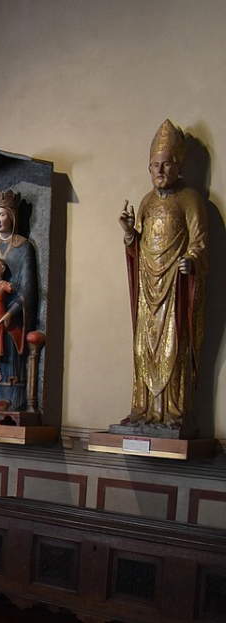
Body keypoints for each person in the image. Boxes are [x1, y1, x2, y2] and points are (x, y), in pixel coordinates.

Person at [116, 119, 208, 435]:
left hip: (175, 287)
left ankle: (173, 412)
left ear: (178, 166)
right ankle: (143, 409)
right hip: (148, 288)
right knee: (143, 349)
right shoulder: (146, 201)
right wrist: (130, 233)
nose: (160, 171)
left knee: (174, 347)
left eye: (166, 164)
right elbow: (139, 246)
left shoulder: (191, 199)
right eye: (154, 165)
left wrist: (192, 260)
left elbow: (200, 241)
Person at [0, 190, 36, 411]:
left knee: (7, 338)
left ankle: (9, 395)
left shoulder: (23, 247)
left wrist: (12, 313)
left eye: (2, 215)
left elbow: (27, 288)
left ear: (12, 215)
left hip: (13, 311)